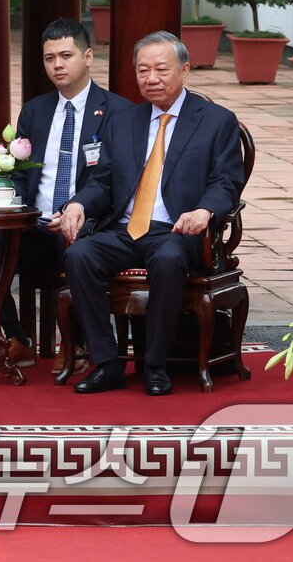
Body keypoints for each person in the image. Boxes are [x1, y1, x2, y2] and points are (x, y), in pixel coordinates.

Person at [58, 31, 245, 396]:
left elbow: (226, 182)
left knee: (169, 259)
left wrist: (205, 210)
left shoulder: (216, 120)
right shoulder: (124, 120)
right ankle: (107, 362)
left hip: (177, 230)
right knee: (79, 255)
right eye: (143, 70)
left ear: (184, 70)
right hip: (125, 229)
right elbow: (104, 181)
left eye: (161, 69)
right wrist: (78, 204)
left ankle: (156, 364)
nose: (151, 78)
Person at [0, 17, 130, 367]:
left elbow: (115, 181)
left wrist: (76, 209)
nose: (57, 65)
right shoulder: (35, 111)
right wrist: (7, 203)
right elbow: (22, 177)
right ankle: (14, 336)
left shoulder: (119, 112)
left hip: (87, 226)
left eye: (66, 56)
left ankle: (78, 342)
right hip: (33, 227)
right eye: (50, 58)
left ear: (88, 57)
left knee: (75, 243)